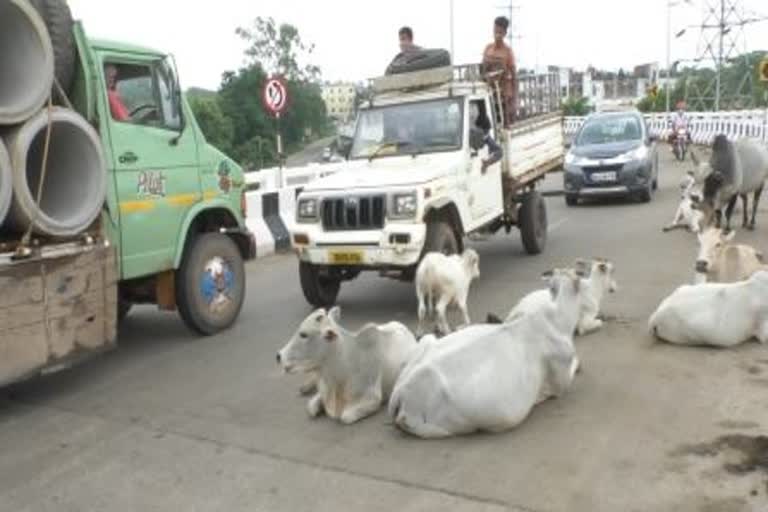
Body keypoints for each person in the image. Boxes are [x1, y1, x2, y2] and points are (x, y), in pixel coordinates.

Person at [482, 16, 517, 127]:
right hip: (489, 94)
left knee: (503, 128)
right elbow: (482, 70)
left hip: (503, 98)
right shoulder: (488, 48)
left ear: (505, 33)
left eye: (500, 32)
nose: (497, 34)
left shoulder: (508, 52)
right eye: (495, 31)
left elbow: (515, 77)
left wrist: (514, 103)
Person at [469, 103, 503, 173]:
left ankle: (486, 163)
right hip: (480, 133)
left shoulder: (477, 116)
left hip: (480, 130)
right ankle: (486, 163)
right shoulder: (482, 135)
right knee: (499, 151)